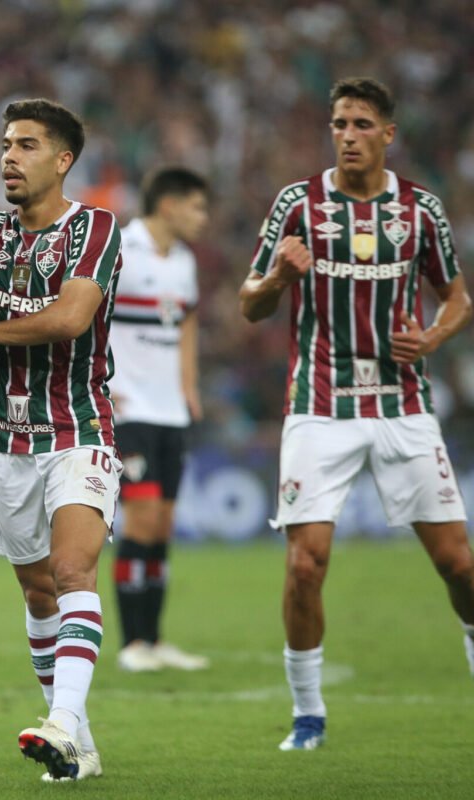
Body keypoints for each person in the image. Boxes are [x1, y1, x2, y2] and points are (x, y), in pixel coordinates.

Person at [239, 77, 474, 751]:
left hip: (403, 404)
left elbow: (457, 298)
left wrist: (432, 337)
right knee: (304, 565)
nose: (348, 135)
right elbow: (249, 303)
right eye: (339, 123)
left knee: (459, 565)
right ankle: (307, 713)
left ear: (388, 134)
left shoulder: (420, 210)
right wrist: (279, 278)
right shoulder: (298, 203)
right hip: (319, 404)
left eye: (362, 124)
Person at [0, 98, 122, 782]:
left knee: (72, 571)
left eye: (26, 145)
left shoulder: (94, 228)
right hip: (6, 443)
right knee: (39, 594)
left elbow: (72, 318)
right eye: (6, 145)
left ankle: (60, 723)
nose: (9, 158)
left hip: (79, 429)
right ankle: (80, 744)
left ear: (63, 160)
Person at [110, 167, 211, 672]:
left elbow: (187, 322)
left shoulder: (184, 261)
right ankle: (132, 643)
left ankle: (154, 638)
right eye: (197, 206)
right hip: (130, 409)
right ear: (168, 205)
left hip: (170, 410)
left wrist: (189, 386)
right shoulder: (121, 249)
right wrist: (101, 384)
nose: (203, 217)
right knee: (142, 519)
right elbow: (85, 315)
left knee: (164, 524)